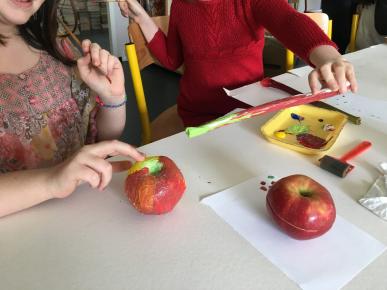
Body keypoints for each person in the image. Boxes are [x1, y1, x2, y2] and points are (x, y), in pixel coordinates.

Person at [0, 0, 145, 218]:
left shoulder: (57, 48)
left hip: (84, 216)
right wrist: (52, 180)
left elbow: (102, 136)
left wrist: (112, 98)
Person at [118, 0, 358, 129]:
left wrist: (326, 55)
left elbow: (288, 20)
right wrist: (140, 16)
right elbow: (172, 59)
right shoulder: (181, 6)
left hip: (249, 111)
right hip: (198, 115)